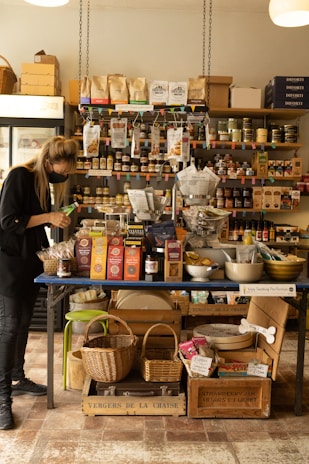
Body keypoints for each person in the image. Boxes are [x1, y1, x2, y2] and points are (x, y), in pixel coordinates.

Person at [0, 135, 79, 430]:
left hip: (30, 261)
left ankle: (18, 378)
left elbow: (31, 218)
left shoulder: (42, 183)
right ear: (49, 162)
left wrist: (55, 219)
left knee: (22, 324)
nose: (66, 173)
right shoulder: (20, 175)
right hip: (9, 262)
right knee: (9, 326)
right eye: (64, 167)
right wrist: (48, 215)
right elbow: (8, 221)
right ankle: (2, 397)